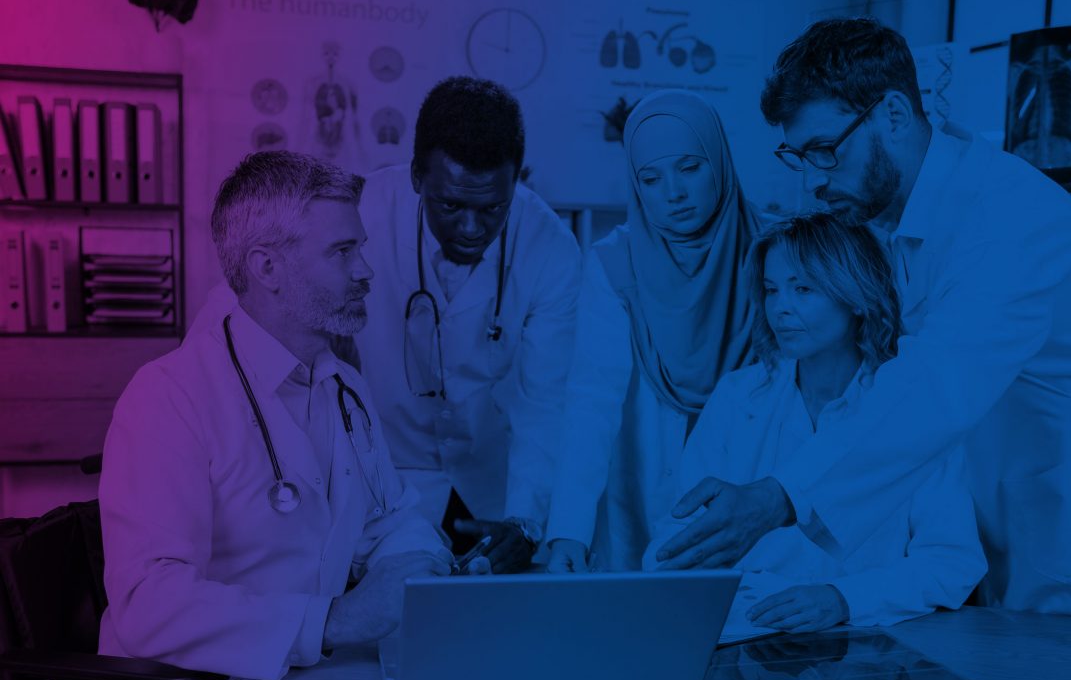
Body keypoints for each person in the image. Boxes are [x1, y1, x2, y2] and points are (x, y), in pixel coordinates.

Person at [656, 17, 1071, 622]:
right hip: (1006, 487)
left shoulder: (1011, 220)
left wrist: (781, 494)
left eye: (825, 150)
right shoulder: (899, 219)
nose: (814, 179)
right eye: (800, 156)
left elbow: (936, 382)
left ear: (892, 114)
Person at [98, 151, 450, 680]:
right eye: (342, 251)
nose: (366, 271)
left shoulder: (342, 386)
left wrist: (418, 567)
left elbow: (389, 518)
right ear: (267, 266)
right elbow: (147, 602)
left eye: (361, 248)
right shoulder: (170, 395)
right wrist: (333, 620)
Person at [644, 213, 986, 633]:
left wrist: (844, 599)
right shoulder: (738, 398)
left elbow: (952, 561)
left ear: (856, 296)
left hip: (868, 641)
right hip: (743, 632)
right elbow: (671, 542)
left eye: (803, 288)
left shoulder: (911, 408)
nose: (781, 307)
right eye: (772, 290)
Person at [354, 76, 582, 573]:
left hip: (494, 487)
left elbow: (545, 403)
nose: (472, 229)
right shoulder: (361, 215)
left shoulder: (551, 247)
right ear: (417, 176)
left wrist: (526, 521)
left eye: (493, 208)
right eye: (451, 205)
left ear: (518, 180)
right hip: (383, 478)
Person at [545, 90, 764, 573]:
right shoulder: (614, 262)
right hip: (646, 478)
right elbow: (591, 400)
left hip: (752, 476)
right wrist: (568, 531)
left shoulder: (772, 250)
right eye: (651, 178)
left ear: (719, 160)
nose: (673, 193)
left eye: (690, 168)